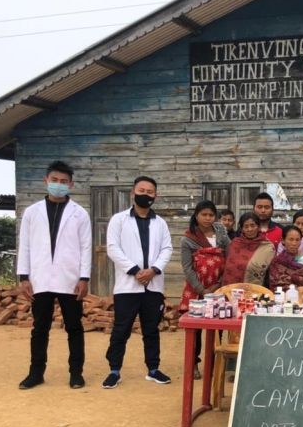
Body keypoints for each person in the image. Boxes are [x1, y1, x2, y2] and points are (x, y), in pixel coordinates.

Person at [17, 161, 92, 390]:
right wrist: (24, 277)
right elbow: (26, 246)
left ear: (71, 184)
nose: (58, 185)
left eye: (63, 182)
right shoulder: (32, 212)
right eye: (54, 181)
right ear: (46, 181)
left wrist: (84, 278)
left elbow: (86, 246)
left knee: (74, 327)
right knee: (40, 328)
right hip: (40, 279)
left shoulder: (80, 214)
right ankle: (36, 372)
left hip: (70, 279)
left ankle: (76, 373)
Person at [102, 176, 173, 389]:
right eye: (141, 190)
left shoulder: (160, 223)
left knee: (151, 329)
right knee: (121, 329)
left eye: (150, 192)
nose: (145, 195)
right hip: (127, 286)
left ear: (155, 196)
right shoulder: (119, 220)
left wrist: (153, 270)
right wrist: (134, 271)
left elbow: (167, 249)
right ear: (133, 193)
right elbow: (113, 247)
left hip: (153, 285)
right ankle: (114, 370)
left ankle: (153, 369)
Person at [179, 200, 230, 380]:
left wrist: (219, 285)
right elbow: (187, 268)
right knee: (196, 329)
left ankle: (213, 363)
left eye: (211, 215)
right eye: (204, 215)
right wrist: (203, 289)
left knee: (218, 327)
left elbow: (229, 257)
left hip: (219, 287)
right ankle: (193, 364)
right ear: (196, 216)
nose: (208, 218)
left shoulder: (221, 233)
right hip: (196, 288)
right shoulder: (188, 239)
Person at [223, 213, 276, 286]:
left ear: (258, 227)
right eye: (246, 226)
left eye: (252, 225)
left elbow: (271, 272)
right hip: (231, 289)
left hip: (254, 290)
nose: (250, 229)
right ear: (242, 229)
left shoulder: (267, 247)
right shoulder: (235, 243)